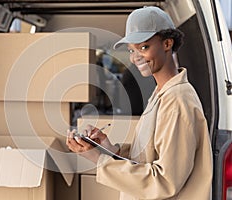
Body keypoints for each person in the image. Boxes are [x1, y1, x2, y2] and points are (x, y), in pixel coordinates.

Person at [66, 6, 213, 200]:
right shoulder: (160, 93)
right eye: (131, 50)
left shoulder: (177, 101)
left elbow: (164, 181)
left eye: (143, 47)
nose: (135, 58)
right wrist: (111, 150)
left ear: (167, 43)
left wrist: (99, 159)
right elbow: (149, 156)